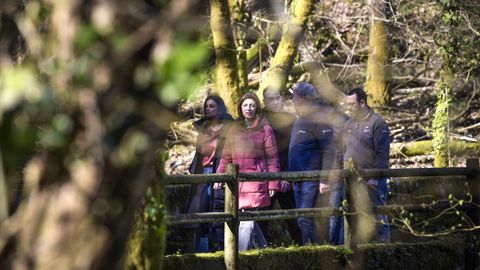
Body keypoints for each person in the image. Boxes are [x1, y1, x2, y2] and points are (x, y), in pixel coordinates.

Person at [215, 92, 281, 251]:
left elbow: (273, 158)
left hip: (256, 182)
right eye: (245, 105)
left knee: (246, 221)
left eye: (252, 105)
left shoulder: (265, 128)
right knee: (248, 221)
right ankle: (267, 254)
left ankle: (240, 257)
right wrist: (219, 176)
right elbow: (226, 157)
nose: (249, 108)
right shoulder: (233, 129)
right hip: (238, 184)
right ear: (240, 108)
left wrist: (273, 183)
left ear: (257, 107)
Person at [288, 82, 336, 245]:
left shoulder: (320, 118)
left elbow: (329, 151)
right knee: (302, 218)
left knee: (306, 218)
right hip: (298, 178)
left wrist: (324, 179)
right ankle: (310, 250)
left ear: (301, 98)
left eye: (293, 97)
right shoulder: (301, 119)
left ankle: (313, 252)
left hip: (311, 179)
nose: (292, 100)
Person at [185, 95, 233, 253]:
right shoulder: (203, 128)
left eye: (211, 106)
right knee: (196, 209)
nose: (207, 109)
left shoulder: (229, 127)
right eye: (206, 106)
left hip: (220, 171)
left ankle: (219, 250)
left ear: (219, 108)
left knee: (217, 210)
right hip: (201, 172)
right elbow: (199, 154)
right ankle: (195, 251)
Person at [342, 87, 390, 242]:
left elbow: (382, 154)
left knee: (379, 217)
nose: (348, 108)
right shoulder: (348, 124)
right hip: (352, 180)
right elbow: (342, 149)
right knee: (355, 218)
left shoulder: (378, 123)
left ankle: (384, 254)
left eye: (351, 104)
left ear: (362, 103)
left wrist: (374, 178)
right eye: (347, 104)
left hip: (373, 180)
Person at [262, 88, 302, 245]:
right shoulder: (260, 120)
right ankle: (261, 250)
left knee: (293, 218)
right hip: (265, 178)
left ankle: (300, 250)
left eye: (277, 98)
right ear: (264, 101)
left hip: (286, 175)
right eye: (270, 99)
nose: (275, 102)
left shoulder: (291, 120)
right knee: (261, 218)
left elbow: (296, 150)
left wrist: (288, 175)